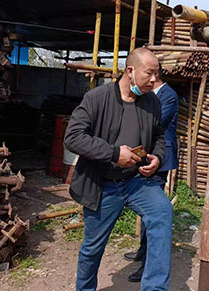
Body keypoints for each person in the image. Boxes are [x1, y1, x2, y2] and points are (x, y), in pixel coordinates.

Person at [65, 48, 173, 291]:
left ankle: (155, 288)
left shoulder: (152, 101)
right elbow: (73, 138)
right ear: (130, 71)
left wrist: (157, 157)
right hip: (102, 184)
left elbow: (158, 136)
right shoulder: (97, 98)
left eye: (157, 74)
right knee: (93, 247)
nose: (154, 80)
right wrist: (114, 154)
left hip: (136, 181)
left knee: (162, 211)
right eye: (149, 73)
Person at [124, 67, 178, 282]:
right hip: (147, 157)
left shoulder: (168, 96)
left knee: (154, 212)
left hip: (160, 159)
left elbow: (155, 123)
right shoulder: (150, 95)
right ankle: (142, 251)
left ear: (154, 77)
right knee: (147, 213)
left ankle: (147, 264)